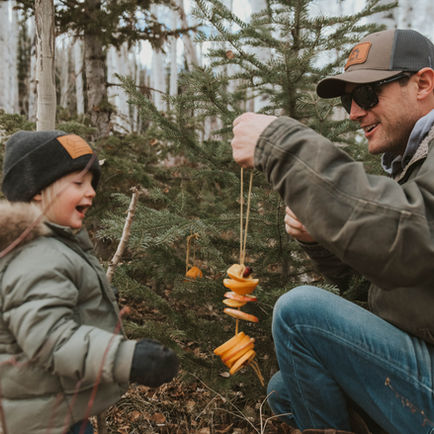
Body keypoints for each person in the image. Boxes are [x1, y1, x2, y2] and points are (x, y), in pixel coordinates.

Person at [231, 28, 434, 434]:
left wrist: (282, 146)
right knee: (285, 391)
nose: (355, 112)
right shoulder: (410, 161)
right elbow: (392, 284)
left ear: (423, 84)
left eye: (367, 95)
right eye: (347, 100)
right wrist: (320, 244)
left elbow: (415, 240)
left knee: (299, 312)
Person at [0, 131, 179, 434]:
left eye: (92, 183)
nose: (92, 192)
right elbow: (51, 339)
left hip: (50, 409)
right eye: (78, 183)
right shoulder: (36, 256)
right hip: (40, 421)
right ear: (38, 191)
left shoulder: (53, 245)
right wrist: (127, 358)